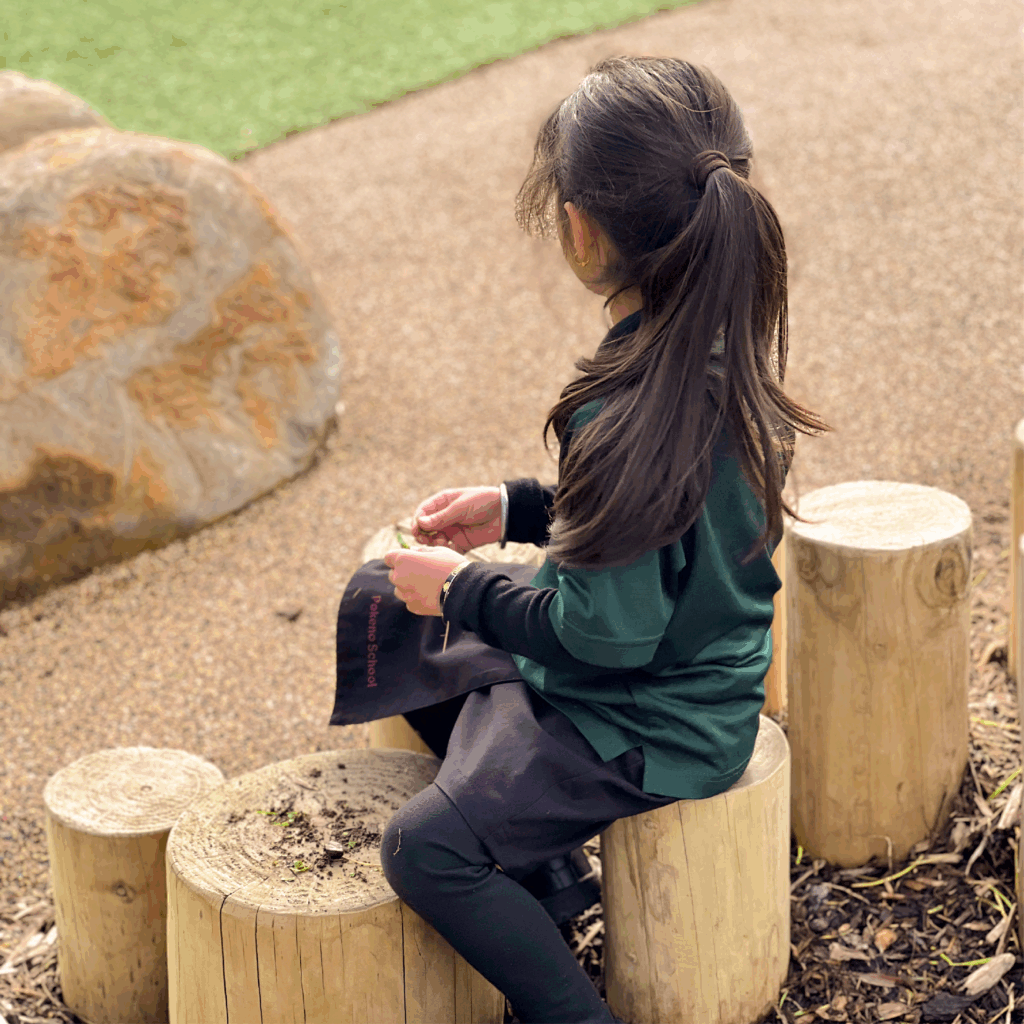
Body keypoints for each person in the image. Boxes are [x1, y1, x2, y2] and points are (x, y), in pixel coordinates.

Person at [340, 56, 833, 1024]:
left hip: (652, 724)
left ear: (577, 227)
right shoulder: (715, 345)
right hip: (668, 657)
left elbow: (606, 637)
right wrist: (518, 509)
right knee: (383, 599)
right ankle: (551, 870)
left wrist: (462, 590)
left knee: (422, 849)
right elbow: (657, 527)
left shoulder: (625, 415)